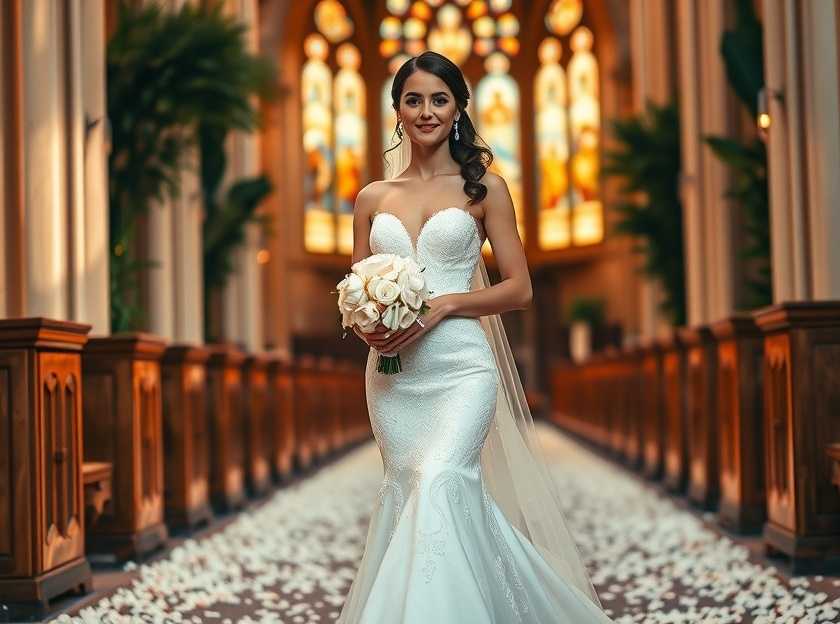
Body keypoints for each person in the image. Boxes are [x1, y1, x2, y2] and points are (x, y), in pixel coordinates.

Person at [339, 50, 614, 624]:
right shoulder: (370, 198)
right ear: (397, 111)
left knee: (442, 479)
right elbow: (356, 286)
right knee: (413, 490)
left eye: (439, 99)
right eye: (413, 99)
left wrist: (445, 305)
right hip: (394, 378)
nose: (426, 111)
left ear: (459, 108)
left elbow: (519, 289)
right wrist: (369, 324)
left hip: (462, 368)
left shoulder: (484, 189)